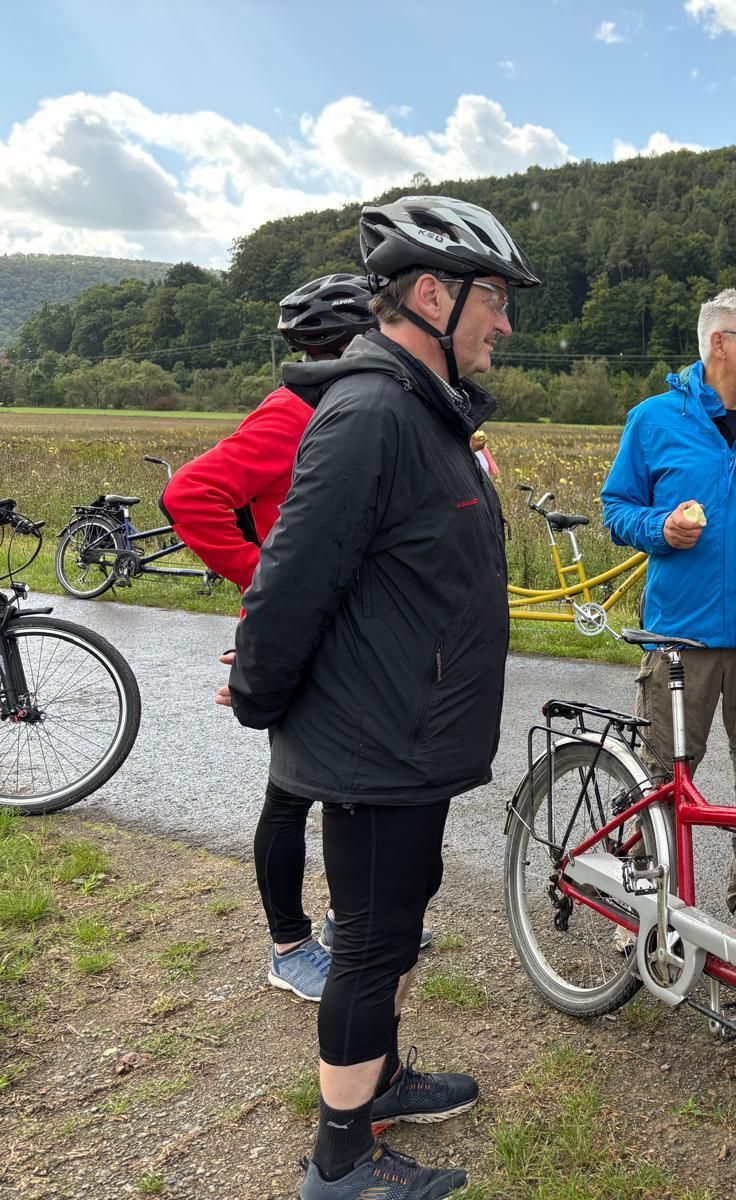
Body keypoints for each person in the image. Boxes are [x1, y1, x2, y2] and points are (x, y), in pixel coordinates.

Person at [227, 194, 539, 1199]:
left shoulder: (421, 406)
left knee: (398, 922)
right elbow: (289, 582)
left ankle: (380, 1085)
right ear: (432, 294)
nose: (505, 321)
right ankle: (340, 1161)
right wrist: (264, 701)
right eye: (493, 299)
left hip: (410, 731)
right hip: (375, 739)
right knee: (367, 945)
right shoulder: (370, 412)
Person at [162, 273, 426, 1007]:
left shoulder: (355, 405)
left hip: (338, 624)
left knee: (344, 784)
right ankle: (288, 946)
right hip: (299, 624)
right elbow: (188, 496)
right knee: (291, 795)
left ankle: (348, 923)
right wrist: (261, 583)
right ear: (351, 339)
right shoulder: (292, 413)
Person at [600, 288, 736, 928]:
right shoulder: (654, 420)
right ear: (720, 344)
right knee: (661, 774)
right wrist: (660, 527)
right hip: (679, 638)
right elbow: (617, 509)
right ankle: (648, 894)